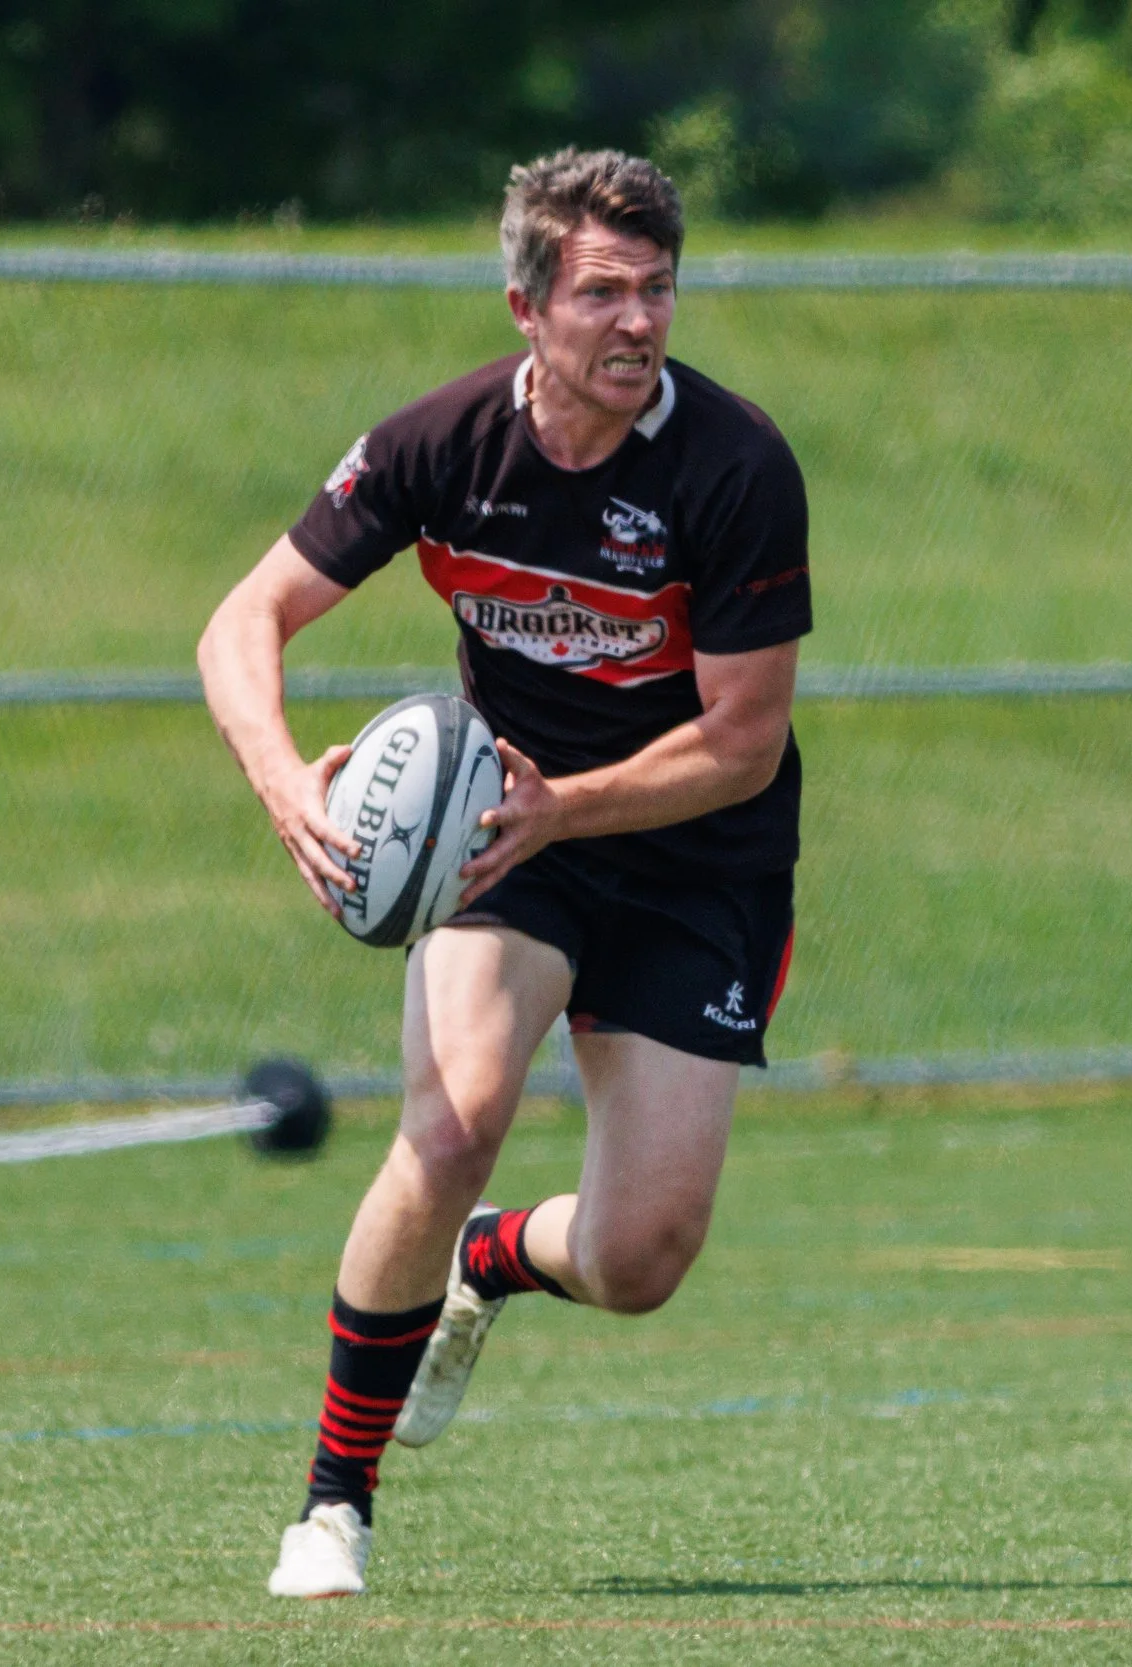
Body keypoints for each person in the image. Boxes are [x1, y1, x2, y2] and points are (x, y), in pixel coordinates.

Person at [199, 146, 811, 1598]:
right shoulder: (444, 444)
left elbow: (740, 742)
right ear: (528, 305)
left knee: (643, 1257)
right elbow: (243, 623)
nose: (640, 322)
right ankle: (332, 1505)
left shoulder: (733, 467)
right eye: (604, 292)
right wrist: (290, 785)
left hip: (691, 855)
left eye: (659, 289)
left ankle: (495, 1261)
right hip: (502, 833)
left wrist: (568, 803)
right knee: (459, 1108)